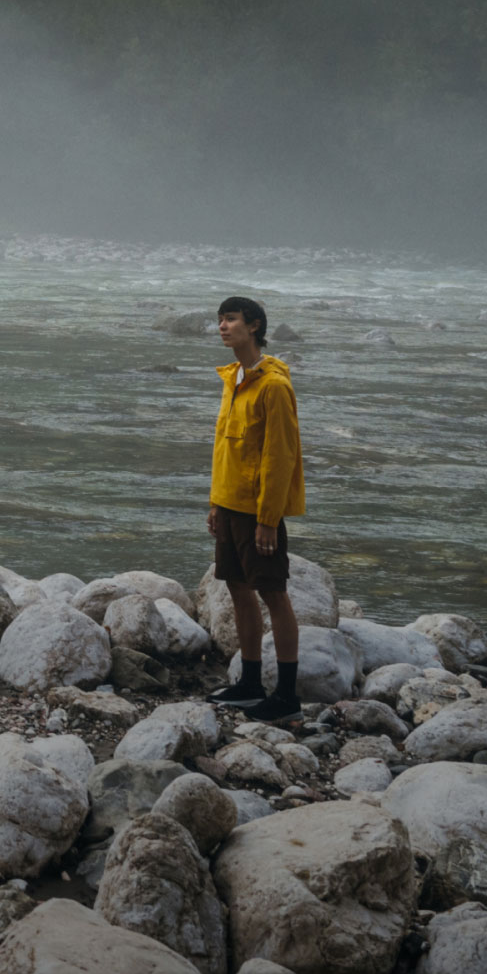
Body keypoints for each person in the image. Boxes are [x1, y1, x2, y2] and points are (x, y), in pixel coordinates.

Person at [205, 296, 305, 721]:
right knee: (238, 589)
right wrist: (214, 502)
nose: (222, 327)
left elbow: (279, 458)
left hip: (256, 512)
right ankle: (249, 682)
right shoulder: (234, 377)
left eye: (230, 320)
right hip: (228, 505)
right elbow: (224, 447)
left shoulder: (274, 386)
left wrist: (268, 519)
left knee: (274, 595)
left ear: (255, 326)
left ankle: (285, 695)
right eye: (220, 320)